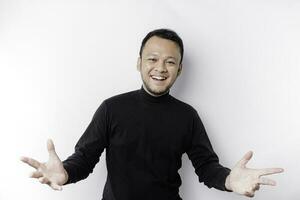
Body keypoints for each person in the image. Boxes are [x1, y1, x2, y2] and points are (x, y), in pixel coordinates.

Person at [21, 28, 284, 199]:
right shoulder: (112, 109)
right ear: (139, 63)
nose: (161, 68)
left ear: (179, 70)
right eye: (152, 58)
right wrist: (65, 172)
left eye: (170, 62)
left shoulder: (187, 116)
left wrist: (228, 179)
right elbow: (85, 158)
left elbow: (206, 167)